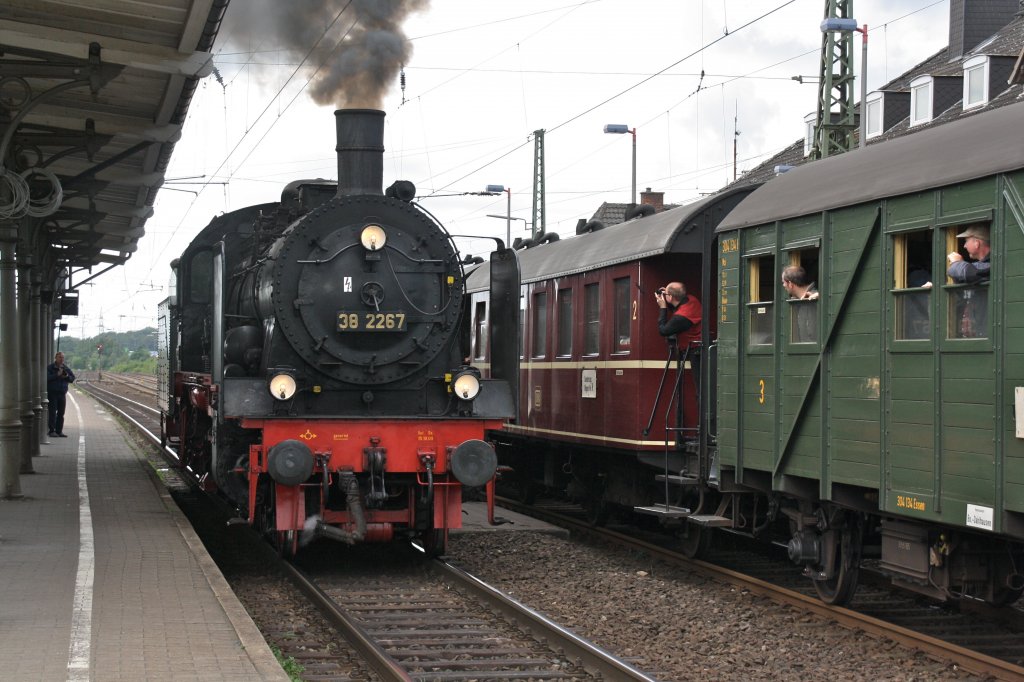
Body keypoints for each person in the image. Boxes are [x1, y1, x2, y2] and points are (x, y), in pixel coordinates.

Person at [947, 224, 991, 338]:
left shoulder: (991, 264)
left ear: (977, 243)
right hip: (975, 334)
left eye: (966, 241)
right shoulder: (978, 266)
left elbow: (970, 273)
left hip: (986, 335)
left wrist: (956, 263)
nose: (964, 246)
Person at [654, 281, 702, 347]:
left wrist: (663, 307)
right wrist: (669, 293)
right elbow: (676, 305)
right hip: (700, 345)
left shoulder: (681, 316)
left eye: (666, 294)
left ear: (670, 297)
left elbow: (663, 331)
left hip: (691, 349)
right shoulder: (692, 299)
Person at [782, 266, 818, 342]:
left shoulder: (815, 298)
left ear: (790, 284)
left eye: (784, 282)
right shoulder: (800, 301)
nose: (783, 285)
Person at [46, 351, 75, 437]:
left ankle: (59, 431)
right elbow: (47, 378)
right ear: (56, 358)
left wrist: (66, 377)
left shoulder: (65, 368)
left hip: (62, 393)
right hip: (52, 393)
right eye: (60, 357)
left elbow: (72, 378)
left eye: (62, 357)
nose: (61, 359)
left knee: (61, 413)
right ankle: (52, 431)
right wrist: (57, 375)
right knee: (52, 412)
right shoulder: (50, 368)